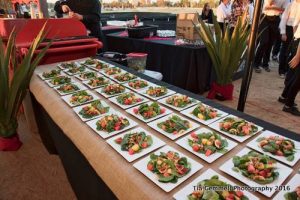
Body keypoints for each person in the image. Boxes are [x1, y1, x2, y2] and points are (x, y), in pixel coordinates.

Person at [253, 0, 289, 73]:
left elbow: (285, 9)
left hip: (276, 19)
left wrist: (274, 8)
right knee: (264, 41)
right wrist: (278, 8)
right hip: (265, 18)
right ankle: (256, 63)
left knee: (270, 43)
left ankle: (265, 64)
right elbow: (267, 6)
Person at [279, 25, 300, 116]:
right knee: (298, 79)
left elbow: (295, 25)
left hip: (296, 42)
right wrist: (298, 56)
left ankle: (285, 98)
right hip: (298, 46)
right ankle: (288, 105)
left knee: (295, 76)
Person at [278, 0, 300, 78]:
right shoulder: (290, 5)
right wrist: (283, 32)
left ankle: (289, 70)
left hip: (298, 31)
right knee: (285, 51)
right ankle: (281, 71)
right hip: (289, 29)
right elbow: (284, 18)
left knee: (294, 52)